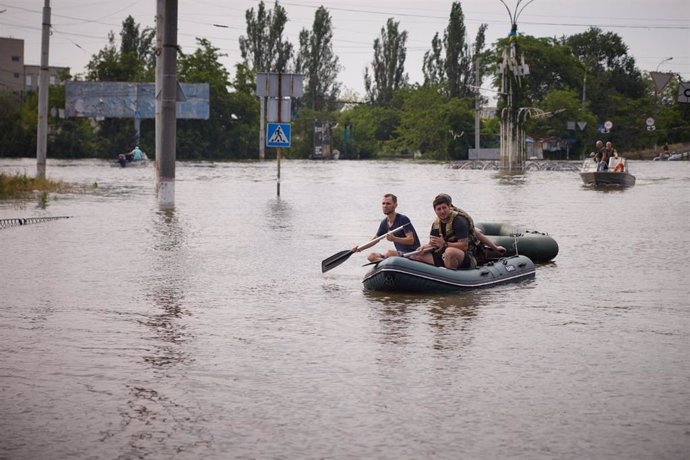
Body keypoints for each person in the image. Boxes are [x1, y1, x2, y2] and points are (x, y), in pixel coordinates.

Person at [411, 194, 505, 270]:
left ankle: (449, 277)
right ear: (435, 210)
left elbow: (465, 245)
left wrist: (495, 248)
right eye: (439, 209)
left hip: (467, 256)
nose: (442, 211)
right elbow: (433, 244)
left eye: (444, 208)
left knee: (449, 252)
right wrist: (423, 247)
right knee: (416, 255)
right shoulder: (436, 224)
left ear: (449, 206)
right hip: (444, 255)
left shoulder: (459, 221)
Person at [353, 193, 421, 263]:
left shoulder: (403, 219)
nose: (385, 206)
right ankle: (386, 265)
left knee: (390, 252)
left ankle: (388, 263)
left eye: (388, 204)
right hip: (400, 253)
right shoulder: (384, 223)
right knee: (371, 256)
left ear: (395, 205)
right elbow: (375, 240)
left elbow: (411, 240)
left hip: (411, 254)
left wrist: (394, 239)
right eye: (383, 203)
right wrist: (360, 248)